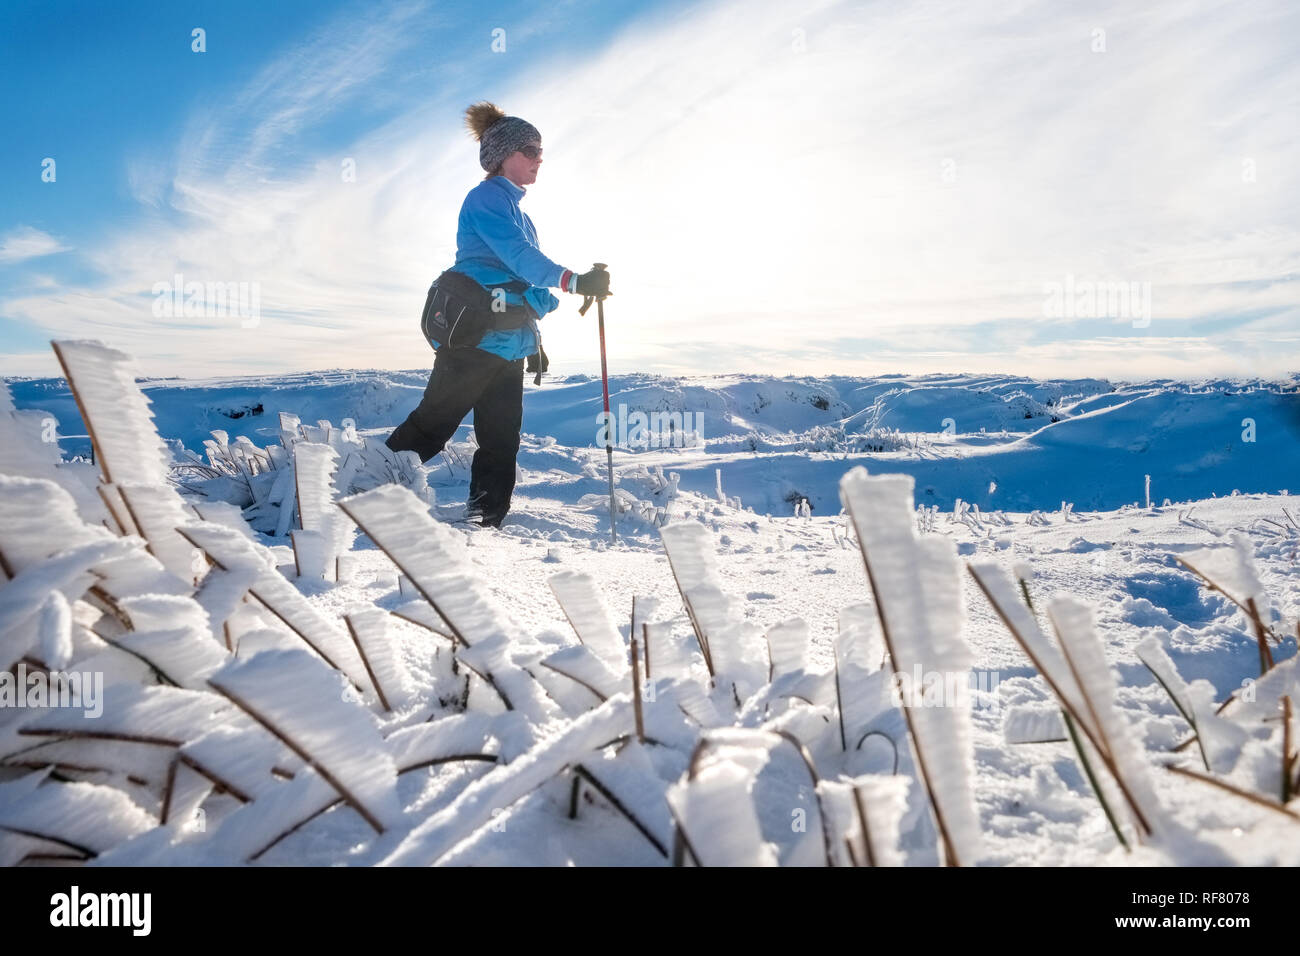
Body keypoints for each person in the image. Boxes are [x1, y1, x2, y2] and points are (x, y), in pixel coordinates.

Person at [385, 101, 611, 527]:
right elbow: (519, 258)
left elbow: (524, 279)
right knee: (433, 426)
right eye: (529, 150)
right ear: (502, 155)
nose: (538, 159)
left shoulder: (520, 213)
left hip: (507, 344)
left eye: (540, 151)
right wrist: (574, 281)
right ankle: (365, 491)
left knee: (501, 440)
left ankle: (485, 519)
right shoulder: (486, 198)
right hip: (474, 338)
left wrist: (538, 326)